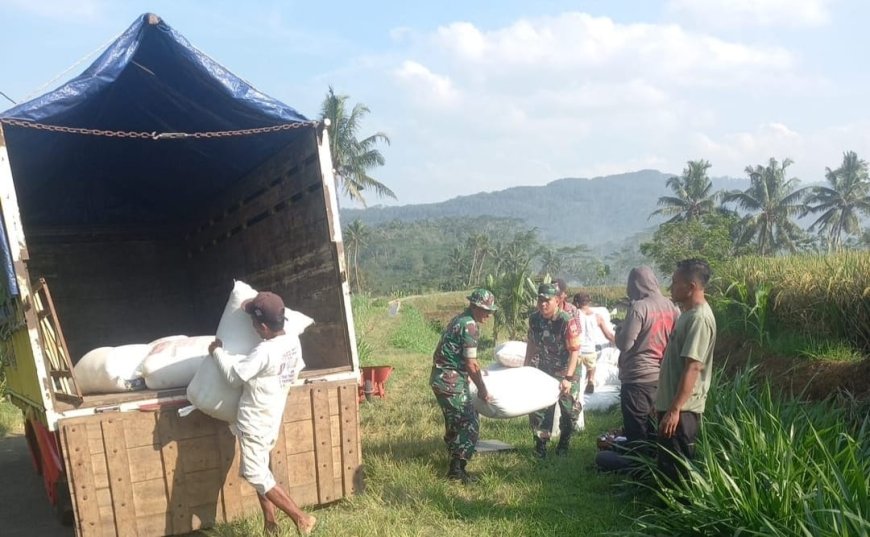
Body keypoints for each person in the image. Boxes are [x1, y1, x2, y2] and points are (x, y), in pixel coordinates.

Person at [208, 291, 317, 536]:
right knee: (263, 470)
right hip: (272, 416)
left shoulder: (264, 352)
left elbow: (234, 377)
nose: (253, 328)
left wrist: (217, 352)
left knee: (255, 473)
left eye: (254, 324)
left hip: (254, 421)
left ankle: (300, 518)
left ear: (264, 326)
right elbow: (295, 370)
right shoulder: (292, 342)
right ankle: (270, 524)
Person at [595, 266, 679, 473]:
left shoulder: (639, 308)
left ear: (635, 285)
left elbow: (624, 344)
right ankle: (651, 461)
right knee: (652, 425)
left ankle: (638, 470)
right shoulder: (672, 307)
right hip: (661, 376)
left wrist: (619, 329)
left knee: (636, 427)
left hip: (637, 378)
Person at [655, 258, 716, 484]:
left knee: (678, 471)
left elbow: (693, 366)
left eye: (675, 282)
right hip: (672, 406)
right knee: (667, 466)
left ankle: (676, 515)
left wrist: (674, 409)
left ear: (691, 287)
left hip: (682, 411)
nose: (671, 287)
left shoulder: (699, 319)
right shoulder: (687, 315)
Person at [430, 288, 496, 484]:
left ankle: (454, 462)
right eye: (486, 310)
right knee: (469, 422)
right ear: (475, 307)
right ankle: (457, 471)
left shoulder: (460, 319)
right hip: (450, 380)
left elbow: (463, 359)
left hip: (442, 377)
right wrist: (483, 389)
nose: (489, 314)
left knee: (454, 422)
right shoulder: (470, 326)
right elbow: (471, 363)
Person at [524, 282, 581, 458]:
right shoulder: (535, 319)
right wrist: (525, 366)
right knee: (540, 410)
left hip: (566, 371)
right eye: (540, 300)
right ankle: (541, 446)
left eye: (547, 300)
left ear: (557, 301)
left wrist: (568, 378)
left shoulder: (566, 320)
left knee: (569, 412)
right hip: (545, 370)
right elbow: (532, 343)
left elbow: (574, 352)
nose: (543, 304)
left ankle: (564, 444)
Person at [572, 292, 616, 394]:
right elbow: (608, 335)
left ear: (577, 303)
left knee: (576, 373)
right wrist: (620, 342)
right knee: (592, 367)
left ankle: (576, 389)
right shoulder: (597, 317)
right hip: (590, 351)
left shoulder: (575, 314)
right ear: (589, 302)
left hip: (577, 350)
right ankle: (591, 380)